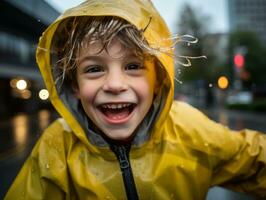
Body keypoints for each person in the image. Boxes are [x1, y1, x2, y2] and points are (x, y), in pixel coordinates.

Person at [5, 0, 266, 199]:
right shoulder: (56, 148)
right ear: (74, 86)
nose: (115, 85)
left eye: (133, 66)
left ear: (158, 80)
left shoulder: (191, 130)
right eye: (94, 69)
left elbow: (255, 160)